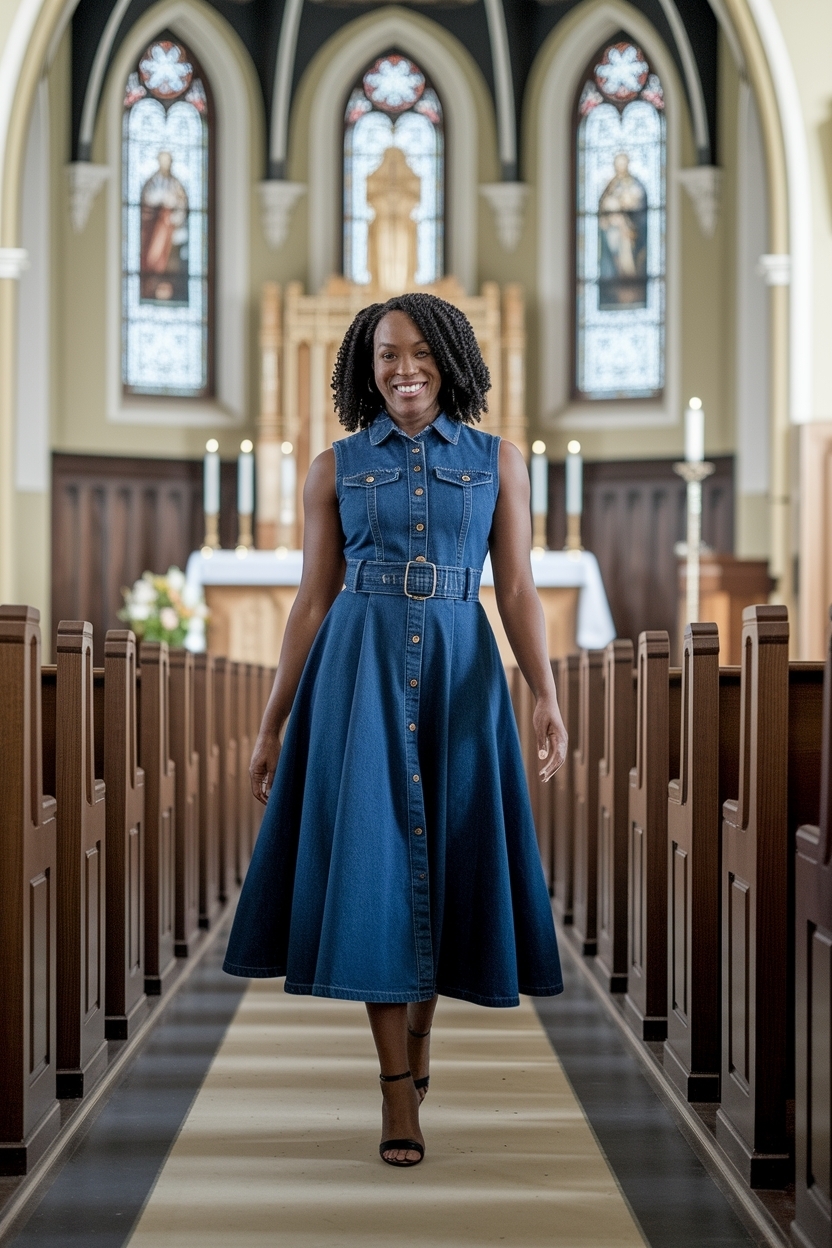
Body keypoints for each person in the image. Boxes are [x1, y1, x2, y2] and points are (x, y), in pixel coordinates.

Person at [223, 293, 567, 1167]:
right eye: (385, 355)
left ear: (449, 359)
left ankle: (420, 1043)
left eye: (418, 352)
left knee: (449, 857)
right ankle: (393, 1093)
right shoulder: (333, 467)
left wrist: (546, 694)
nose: (402, 369)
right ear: (363, 367)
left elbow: (519, 591)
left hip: (462, 670)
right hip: (359, 671)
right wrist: (272, 721)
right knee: (377, 866)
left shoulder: (499, 462)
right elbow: (309, 602)